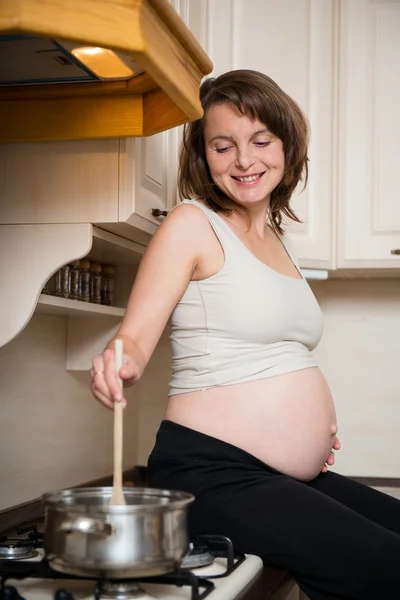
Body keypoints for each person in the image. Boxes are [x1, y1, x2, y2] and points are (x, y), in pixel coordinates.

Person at [90, 70, 400, 600]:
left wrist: (306, 437)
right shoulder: (191, 223)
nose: (244, 160)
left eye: (260, 141)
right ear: (203, 155)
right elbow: (134, 337)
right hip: (212, 475)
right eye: (222, 145)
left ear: (286, 145)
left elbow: (272, 356)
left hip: (280, 476)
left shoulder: (279, 241)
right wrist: (119, 360)